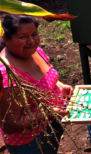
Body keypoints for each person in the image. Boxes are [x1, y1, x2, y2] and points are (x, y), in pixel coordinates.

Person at [0, 14, 73, 154]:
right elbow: (9, 124)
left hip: (51, 125)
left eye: (34, 34)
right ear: (6, 39)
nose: (32, 41)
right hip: (31, 141)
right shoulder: (7, 75)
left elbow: (45, 75)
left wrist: (60, 85)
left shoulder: (34, 51)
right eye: (22, 37)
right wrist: (48, 112)